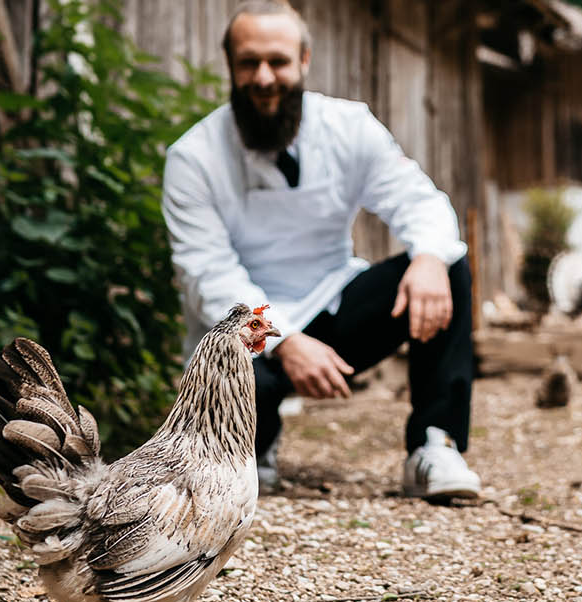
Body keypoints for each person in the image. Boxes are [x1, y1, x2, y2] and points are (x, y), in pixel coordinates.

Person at [161, 0, 480, 501]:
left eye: (279, 61)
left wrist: (428, 259)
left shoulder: (350, 128)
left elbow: (420, 202)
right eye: (249, 63)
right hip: (243, 333)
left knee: (449, 264)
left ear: (304, 61)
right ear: (230, 66)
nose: (264, 78)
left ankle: (434, 445)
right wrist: (283, 339)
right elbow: (208, 275)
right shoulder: (193, 158)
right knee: (237, 380)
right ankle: (247, 449)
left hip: (335, 306)